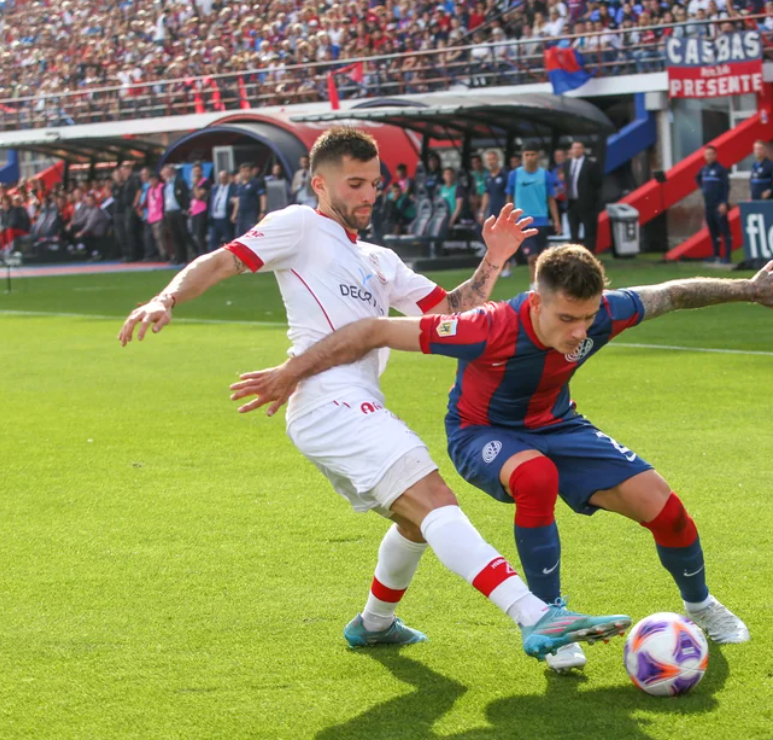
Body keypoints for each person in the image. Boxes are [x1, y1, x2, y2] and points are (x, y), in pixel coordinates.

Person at [118, 127, 630, 660]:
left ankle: (375, 623)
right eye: (355, 183)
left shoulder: (380, 259)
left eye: (375, 184)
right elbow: (222, 260)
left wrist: (495, 258)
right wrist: (166, 299)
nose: (368, 195)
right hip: (327, 399)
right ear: (319, 184)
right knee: (434, 500)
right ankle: (535, 616)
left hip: (347, 405)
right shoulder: (299, 225)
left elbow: (451, 313)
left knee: (415, 519)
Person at [231, 245, 773, 673]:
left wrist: (749, 289)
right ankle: (552, 619)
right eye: (566, 319)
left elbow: (675, 293)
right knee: (536, 476)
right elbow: (373, 329)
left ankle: (701, 605)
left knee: (666, 508)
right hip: (480, 434)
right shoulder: (484, 328)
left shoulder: (606, 313)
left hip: (559, 424)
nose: (580, 331)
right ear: (536, 302)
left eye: (588, 317)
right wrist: (291, 372)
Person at [507, 145, 560, 283]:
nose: (529, 158)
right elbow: (509, 198)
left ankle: (541, 285)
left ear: (538, 156)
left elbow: (551, 199)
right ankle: (533, 285)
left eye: (532, 154)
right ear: (523, 157)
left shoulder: (545, 175)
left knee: (541, 258)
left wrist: (556, 221)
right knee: (531, 257)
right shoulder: (514, 175)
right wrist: (508, 217)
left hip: (541, 220)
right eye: (527, 154)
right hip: (522, 221)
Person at [561, 141, 602, 252]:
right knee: (573, 232)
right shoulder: (567, 164)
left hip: (587, 204)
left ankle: (589, 254)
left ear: (583, 150)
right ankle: (574, 255)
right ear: (571, 150)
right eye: (575, 148)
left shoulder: (591, 164)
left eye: (579, 148)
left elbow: (598, 183)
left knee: (589, 231)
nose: (577, 150)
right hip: (571, 203)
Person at [696, 145, 732, 263]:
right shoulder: (704, 169)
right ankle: (716, 254)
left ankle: (727, 256)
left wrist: (724, 202)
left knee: (724, 230)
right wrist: (703, 188)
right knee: (713, 231)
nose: (709, 156)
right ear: (704, 156)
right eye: (707, 154)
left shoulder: (721, 169)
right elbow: (697, 178)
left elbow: (726, 187)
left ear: (715, 155)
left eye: (711, 154)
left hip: (719, 204)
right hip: (709, 205)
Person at [481, 150, 513, 278]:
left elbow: (509, 194)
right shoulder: (488, 177)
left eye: (493, 159)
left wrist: (508, 210)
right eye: (488, 160)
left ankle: (508, 266)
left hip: (503, 212)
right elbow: (486, 194)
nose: (491, 162)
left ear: (498, 159)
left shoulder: (505, 175)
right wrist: (482, 211)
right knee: (495, 241)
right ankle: (499, 266)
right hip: (492, 213)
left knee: (505, 239)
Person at [160, 164, 193, 264]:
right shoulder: (165, 186)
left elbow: (186, 196)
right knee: (174, 236)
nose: (164, 174)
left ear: (171, 172)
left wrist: (186, 209)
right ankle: (179, 257)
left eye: (166, 172)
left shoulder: (180, 182)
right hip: (169, 212)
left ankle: (190, 255)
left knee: (184, 233)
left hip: (179, 211)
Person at [66, 193, 111, 259]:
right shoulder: (88, 210)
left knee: (82, 235)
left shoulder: (96, 210)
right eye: (87, 201)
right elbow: (81, 220)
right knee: (73, 228)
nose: (88, 202)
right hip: (91, 230)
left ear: (94, 201)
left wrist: (82, 232)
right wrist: (71, 224)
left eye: (90, 200)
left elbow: (90, 225)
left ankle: (94, 253)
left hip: (98, 232)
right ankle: (75, 247)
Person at [233, 163, 267, 237]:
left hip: (252, 213)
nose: (245, 173)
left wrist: (263, 211)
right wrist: (234, 213)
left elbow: (262, 197)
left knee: (251, 234)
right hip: (241, 214)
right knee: (240, 235)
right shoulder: (239, 185)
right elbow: (238, 200)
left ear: (251, 172)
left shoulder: (256, 183)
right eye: (243, 171)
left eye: (247, 171)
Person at [209, 170, 237, 250]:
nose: (222, 180)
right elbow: (212, 201)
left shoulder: (233, 188)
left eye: (224, 177)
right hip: (215, 218)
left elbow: (236, 201)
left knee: (229, 239)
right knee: (213, 241)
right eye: (220, 178)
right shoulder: (215, 188)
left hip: (226, 218)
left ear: (228, 177)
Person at [189, 164, 211, 256]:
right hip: (194, 211)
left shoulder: (205, 182)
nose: (196, 173)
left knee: (200, 235)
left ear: (202, 171)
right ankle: (197, 253)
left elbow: (198, 196)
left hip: (202, 211)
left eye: (198, 171)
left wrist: (195, 185)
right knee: (194, 234)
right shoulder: (194, 183)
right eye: (195, 171)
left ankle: (203, 254)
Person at [439, 167, 467, 231]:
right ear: (443, 176)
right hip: (442, 217)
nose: (449, 176)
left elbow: (459, 207)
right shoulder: (441, 189)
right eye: (447, 174)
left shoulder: (458, 188)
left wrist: (451, 220)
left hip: (453, 217)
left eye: (450, 174)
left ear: (453, 176)